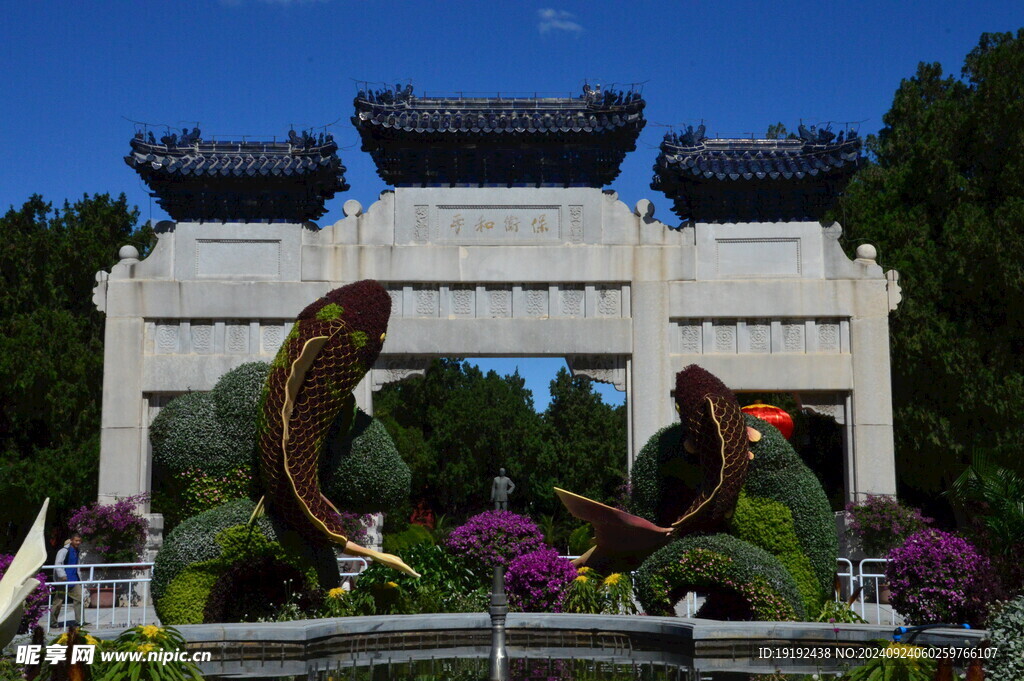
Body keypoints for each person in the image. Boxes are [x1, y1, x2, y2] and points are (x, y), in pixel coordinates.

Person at [50, 532, 84, 628]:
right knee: (58, 601)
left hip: (74, 579)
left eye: (79, 541)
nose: (78, 542)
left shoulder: (77, 551)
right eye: (76, 540)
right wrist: (62, 575)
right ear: (72, 540)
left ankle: (79, 621)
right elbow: (58, 563)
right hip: (64, 579)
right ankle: (53, 622)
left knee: (79, 599)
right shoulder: (64, 551)